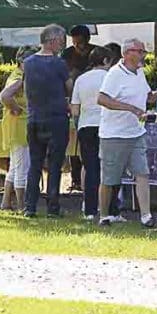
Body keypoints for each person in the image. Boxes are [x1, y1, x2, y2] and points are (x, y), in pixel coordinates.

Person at [96, 37, 157, 228]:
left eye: (143, 52)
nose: (143, 55)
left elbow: (148, 97)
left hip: (136, 133)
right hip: (114, 134)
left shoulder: (139, 73)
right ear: (127, 53)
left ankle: (146, 216)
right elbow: (102, 99)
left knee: (142, 173)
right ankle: (104, 215)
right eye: (140, 51)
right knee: (109, 178)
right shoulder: (115, 74)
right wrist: (131, 109)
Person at [23, 24, 72, 218]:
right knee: (54, 164)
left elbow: (26, 88)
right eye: (61, 41)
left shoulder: (28, 63)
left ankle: (30, 207)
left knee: (34, 164)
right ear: (52, 41)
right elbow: (69, 86)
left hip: (34, 117)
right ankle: (53, 207)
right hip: (57, 118)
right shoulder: (59, 64)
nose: (62, 45)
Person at [71, 46, 113, 219]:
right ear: (105, 61)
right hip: (107, 126)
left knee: (90, 168)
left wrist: (78, 123)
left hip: (86, 126)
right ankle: (110, 209)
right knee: (108, 169)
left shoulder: (81, 79)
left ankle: (89, 210)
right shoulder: (111, 77)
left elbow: (75, 109)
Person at [0, 45, 35, 211]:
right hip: (19, 127)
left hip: (16, 126)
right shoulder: (19, 77)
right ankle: (22, 206)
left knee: (14, 166)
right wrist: (16, 108)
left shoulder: (19, 75)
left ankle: (6, 202)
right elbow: (4, 95)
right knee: (22, 168)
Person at [61, 25, 94, 193]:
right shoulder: (67, 54)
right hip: (73, 101)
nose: (77, 46)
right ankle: (75, 178)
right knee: (74, 142)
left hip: (91, 102)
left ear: (87, 40)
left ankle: (88, 179)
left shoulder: (95, 53)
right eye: (74, 42)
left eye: (80, 43)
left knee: (88, 145)